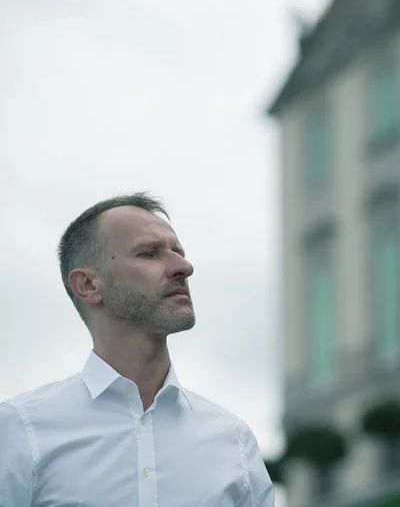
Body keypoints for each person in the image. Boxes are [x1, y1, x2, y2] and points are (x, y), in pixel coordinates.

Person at [0, 192, 274, 506]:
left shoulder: (234, 443)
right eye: (149, 254)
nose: (184, 266)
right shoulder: (19, 432)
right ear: (89, 285)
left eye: (177, 251)